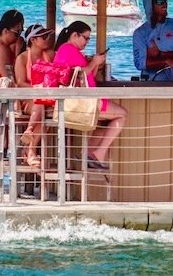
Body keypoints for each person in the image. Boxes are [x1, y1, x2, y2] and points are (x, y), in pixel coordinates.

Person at [53, 20, 125, 170]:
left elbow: (87, 73)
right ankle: (99, 153)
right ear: (74, 35)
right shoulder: (68, 49)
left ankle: (89, 153)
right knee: (122, 115)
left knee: (104, 121)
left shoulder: (69, 50)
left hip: (85, 99)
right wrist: (93, 63)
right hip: (84, 101)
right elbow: (79, 74)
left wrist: (95, 62)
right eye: (85, 38)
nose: (87, 42)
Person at [14, 24, 56, 168]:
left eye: (48, 36)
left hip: (46, 99)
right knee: (42, 105)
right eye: (44, 37)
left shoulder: (49, 55)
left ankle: (29, 133)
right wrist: (37, 88)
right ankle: (30, 149)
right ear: (33, 39)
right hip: (28, 99)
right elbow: (20, 82)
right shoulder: (23, 58)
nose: (47, 39)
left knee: (49, 109)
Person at [130, 0, 173, 77]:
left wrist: (160, 54)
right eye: (160, 2)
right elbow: (140, 63)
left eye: (165, 0)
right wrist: (166, 61)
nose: (165, 4)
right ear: (150, 6)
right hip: (151, 83)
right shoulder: (140, 33)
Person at [0, 8, 25, 83]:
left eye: (21, 32)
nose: (19, 36)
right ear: (5, 31)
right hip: (2, 91)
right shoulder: (1, 49)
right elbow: (9, 79)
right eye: (17, 33)